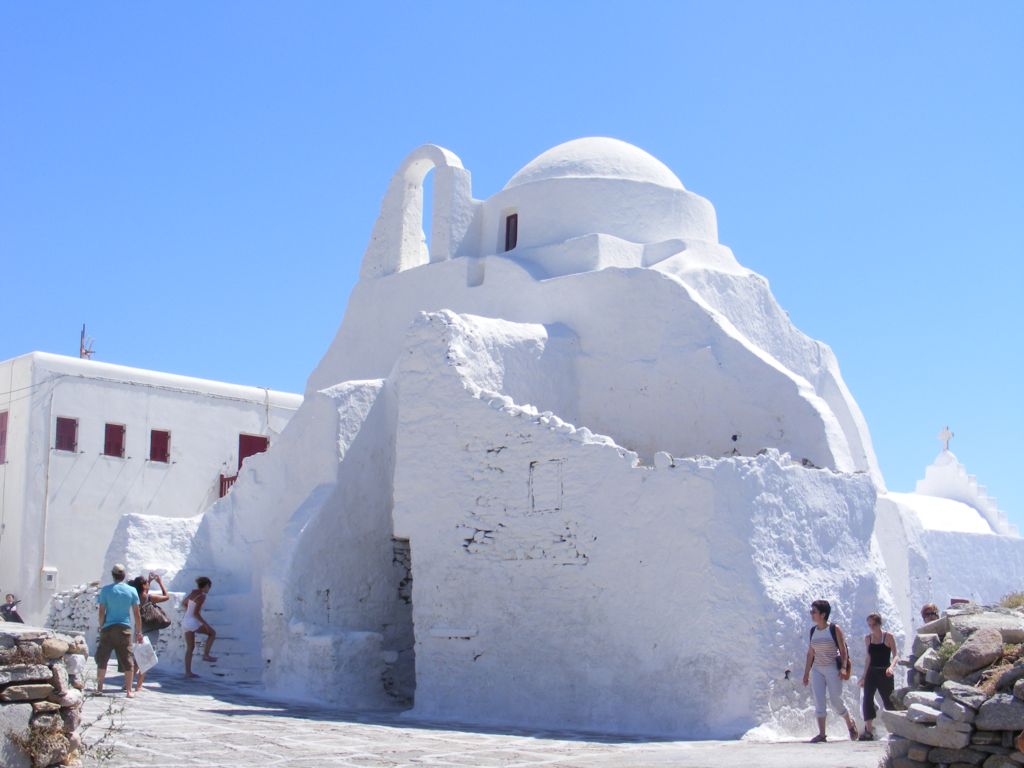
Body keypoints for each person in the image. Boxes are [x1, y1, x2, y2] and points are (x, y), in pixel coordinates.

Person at [802, 599, 859, 743]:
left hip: (832, 669)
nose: (811, 614)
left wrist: (844, 667)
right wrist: (806, 673)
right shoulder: (813, 631)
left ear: (823, 614)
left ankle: (849, 722)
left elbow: (843, 649)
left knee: (836, 701)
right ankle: (822, 734)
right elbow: (811, 653)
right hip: (817, 670)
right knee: (819, 700)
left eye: (814, 611)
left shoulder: (834, 629)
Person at [95, 564, 143, 697]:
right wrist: (139, 631)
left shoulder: (106, 590)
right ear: (124, 575)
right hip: (124, 628)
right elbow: (136, 613)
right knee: (127, 659)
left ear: (113, 575)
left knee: (103, 658)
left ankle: (99, 687)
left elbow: (101, 610)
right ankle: (128, 690)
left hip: (108, 628)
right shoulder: (132, 591)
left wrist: (101, 625)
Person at [858, 612, 898, 740]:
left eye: (874, 624)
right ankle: (869, 730)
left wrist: (891, 667)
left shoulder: (888, 637)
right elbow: (868, 657)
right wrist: (864, 676)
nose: (872, 627)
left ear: (879, 624)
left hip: (885, 672)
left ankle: (895, 729)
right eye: (869, 625)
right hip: (872, 672)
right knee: (867, 698)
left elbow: (896, 655)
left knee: (888, 700)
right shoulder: (868, 639)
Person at [128, 572, 170, 692]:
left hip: (138, 629)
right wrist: (160, 582)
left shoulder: (135, 597)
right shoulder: (149, 598)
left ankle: (129, 683)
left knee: (136, 658)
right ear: (144, 586)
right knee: (145, 659)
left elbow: (144, 590)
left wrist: (149, 581)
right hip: (150, 631)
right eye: (146, 584)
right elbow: (166, 596)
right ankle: (139, 685)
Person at [182, 576, 217, 678]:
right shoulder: (201, 596)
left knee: (190, 648)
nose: (208, 589)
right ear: (206, 586)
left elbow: (184, 603)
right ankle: (206, 655)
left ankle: (188, 672)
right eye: (209, 587)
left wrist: (189, 611)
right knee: (212, 633)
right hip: (192, 621)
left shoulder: (193, 593)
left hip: (185, 621)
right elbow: (196, 613)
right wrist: (205, 624)